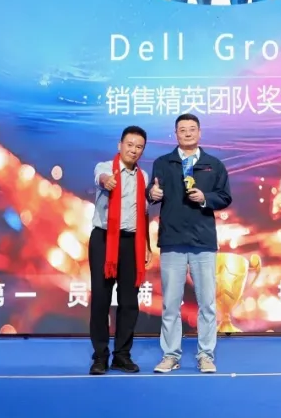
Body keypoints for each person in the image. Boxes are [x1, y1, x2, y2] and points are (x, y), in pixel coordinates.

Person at [147, 113, 232, 373]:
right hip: (172, 241)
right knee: (170, 305)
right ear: (175, 134)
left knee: (207, 304)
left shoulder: (213, 165)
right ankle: (170, 355)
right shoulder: (163, 163)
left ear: (199, 133)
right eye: (182, 129)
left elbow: (225, 197)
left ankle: (206, 355)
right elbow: (152, 191)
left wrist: (205, 198)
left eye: (192, 129)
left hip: (203, 242)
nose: (187, 133)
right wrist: (152, 193)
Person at [88, 126, 152, 375]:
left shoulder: (143, 176)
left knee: (129, 302)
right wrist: (107, 181)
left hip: (132, 243)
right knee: (101, 300)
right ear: (120, 145)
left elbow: (143, 214)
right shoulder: (105, 167)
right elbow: (100, 178)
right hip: (104, 240)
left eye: (139, 147)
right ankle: (100, 356)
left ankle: (122, 355)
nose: (134, 150)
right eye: (130, 144)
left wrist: (146, 245)